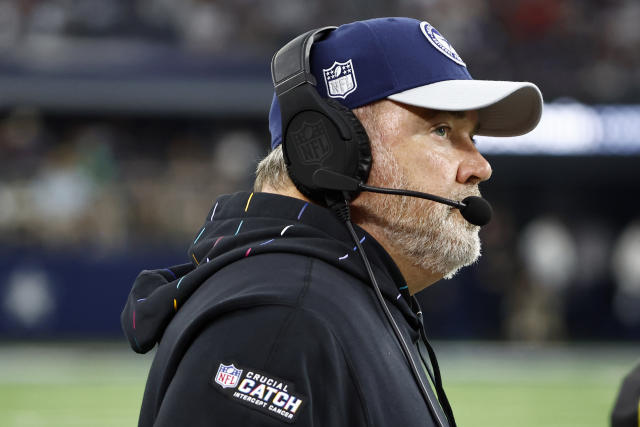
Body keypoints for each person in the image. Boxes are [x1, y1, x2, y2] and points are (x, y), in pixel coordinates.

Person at [121, 17, 542, 426]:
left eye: (474, 138)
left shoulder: (332, 299)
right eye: (442, 131)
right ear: (330, 151)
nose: (479, 166)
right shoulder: (282, 322)